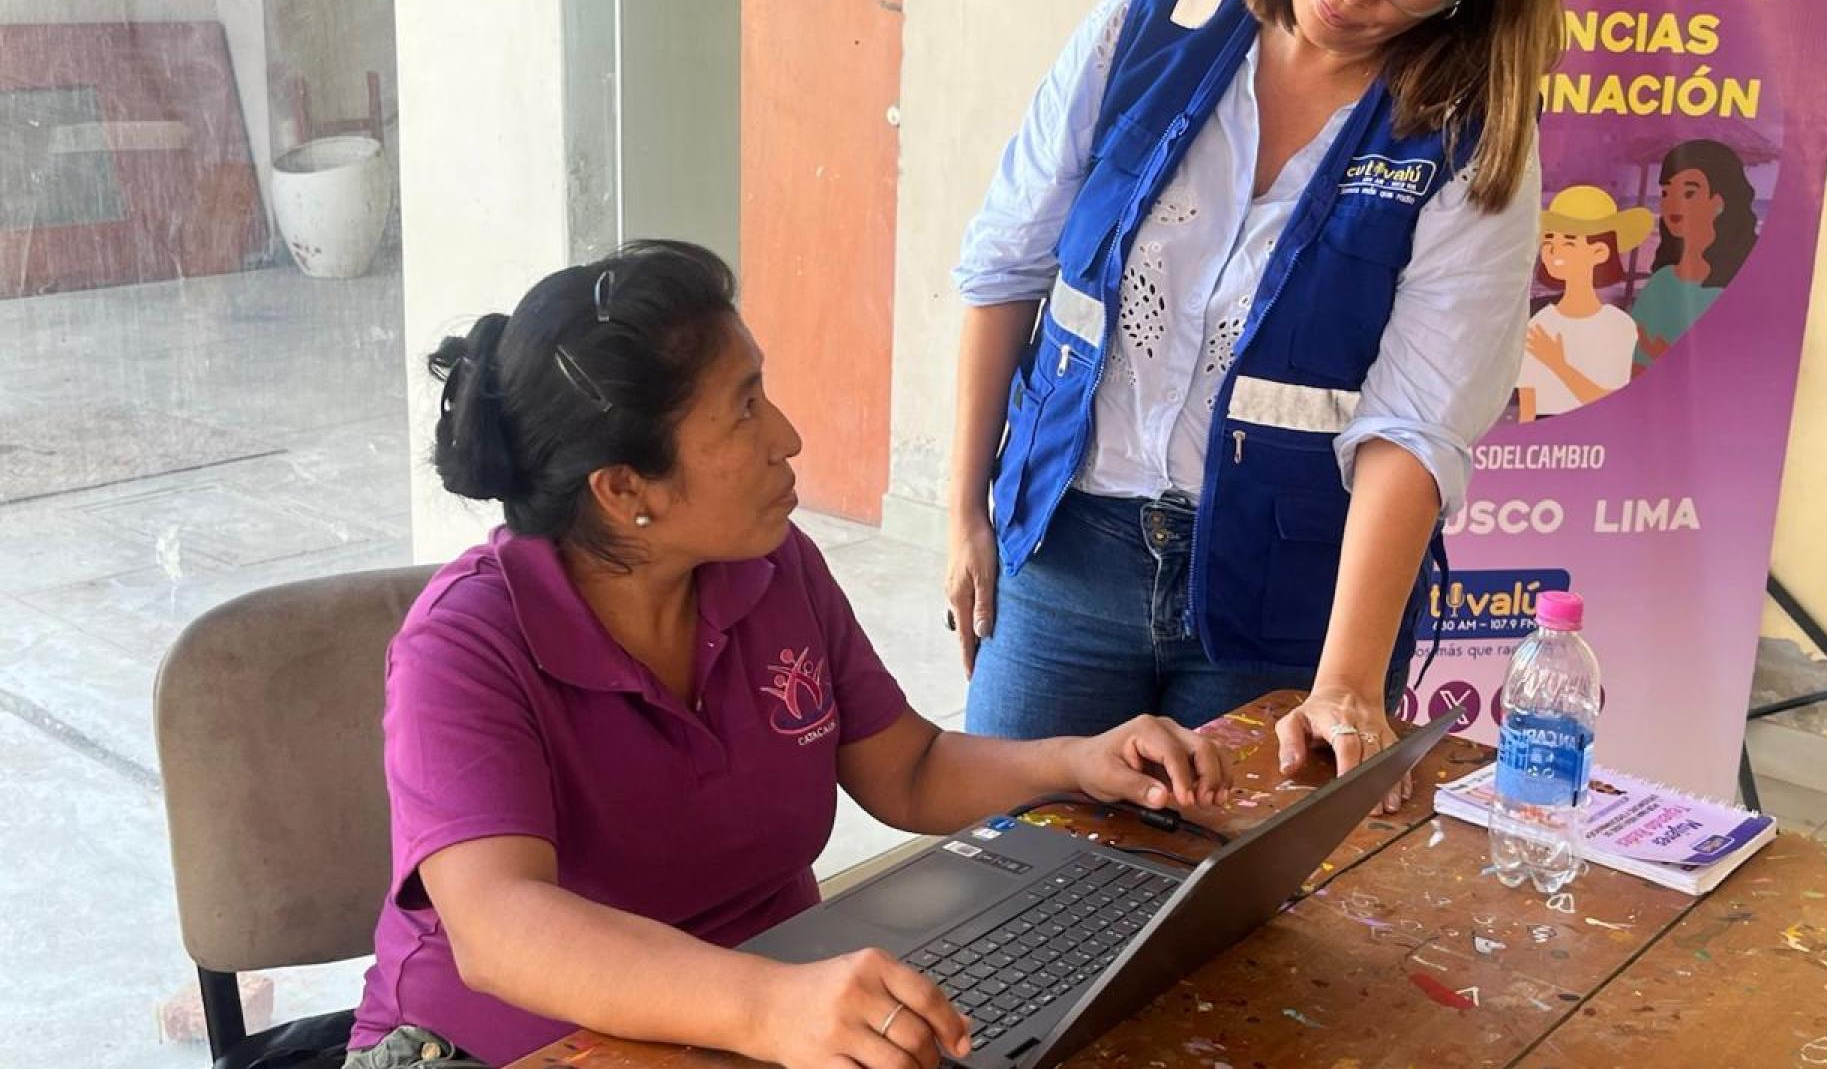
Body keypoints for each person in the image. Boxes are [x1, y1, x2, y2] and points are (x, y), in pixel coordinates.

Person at [345, 241, 1234, 1068]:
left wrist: (1077, 764)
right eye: (744, 410)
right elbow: (501, 932)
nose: (787, 436)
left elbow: (910, 770)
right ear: (624, 489)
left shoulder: (770, 568)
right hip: (513, 1049)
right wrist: (769, 1006)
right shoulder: (466, 645)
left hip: (756, 1017)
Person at [945, 0, 1563, 809]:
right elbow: (1006, 269)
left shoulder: (1470, 138)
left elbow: (1416, 424)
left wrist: (1347, 681)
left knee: (1237, 883)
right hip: (1069, 556)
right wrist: (965, 512)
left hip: (1292, 595)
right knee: (1012, 858)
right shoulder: (1144, 30)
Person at [1515, 185, 1652, 420]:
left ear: (1599, 252)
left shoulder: (1619, 325)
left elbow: (1612, 403)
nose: (1553, 251)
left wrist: (1558, 363)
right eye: (1549, 241)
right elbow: (1528, 410)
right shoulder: (1539, 325)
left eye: (1569, 243)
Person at [1630, 138, 1759, 371]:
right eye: (1666, 193)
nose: (1672, 204)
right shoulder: (1660, 284)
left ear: (1718, 201)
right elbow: (1634, 366)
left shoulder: (1743, 287)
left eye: (1688, 193)